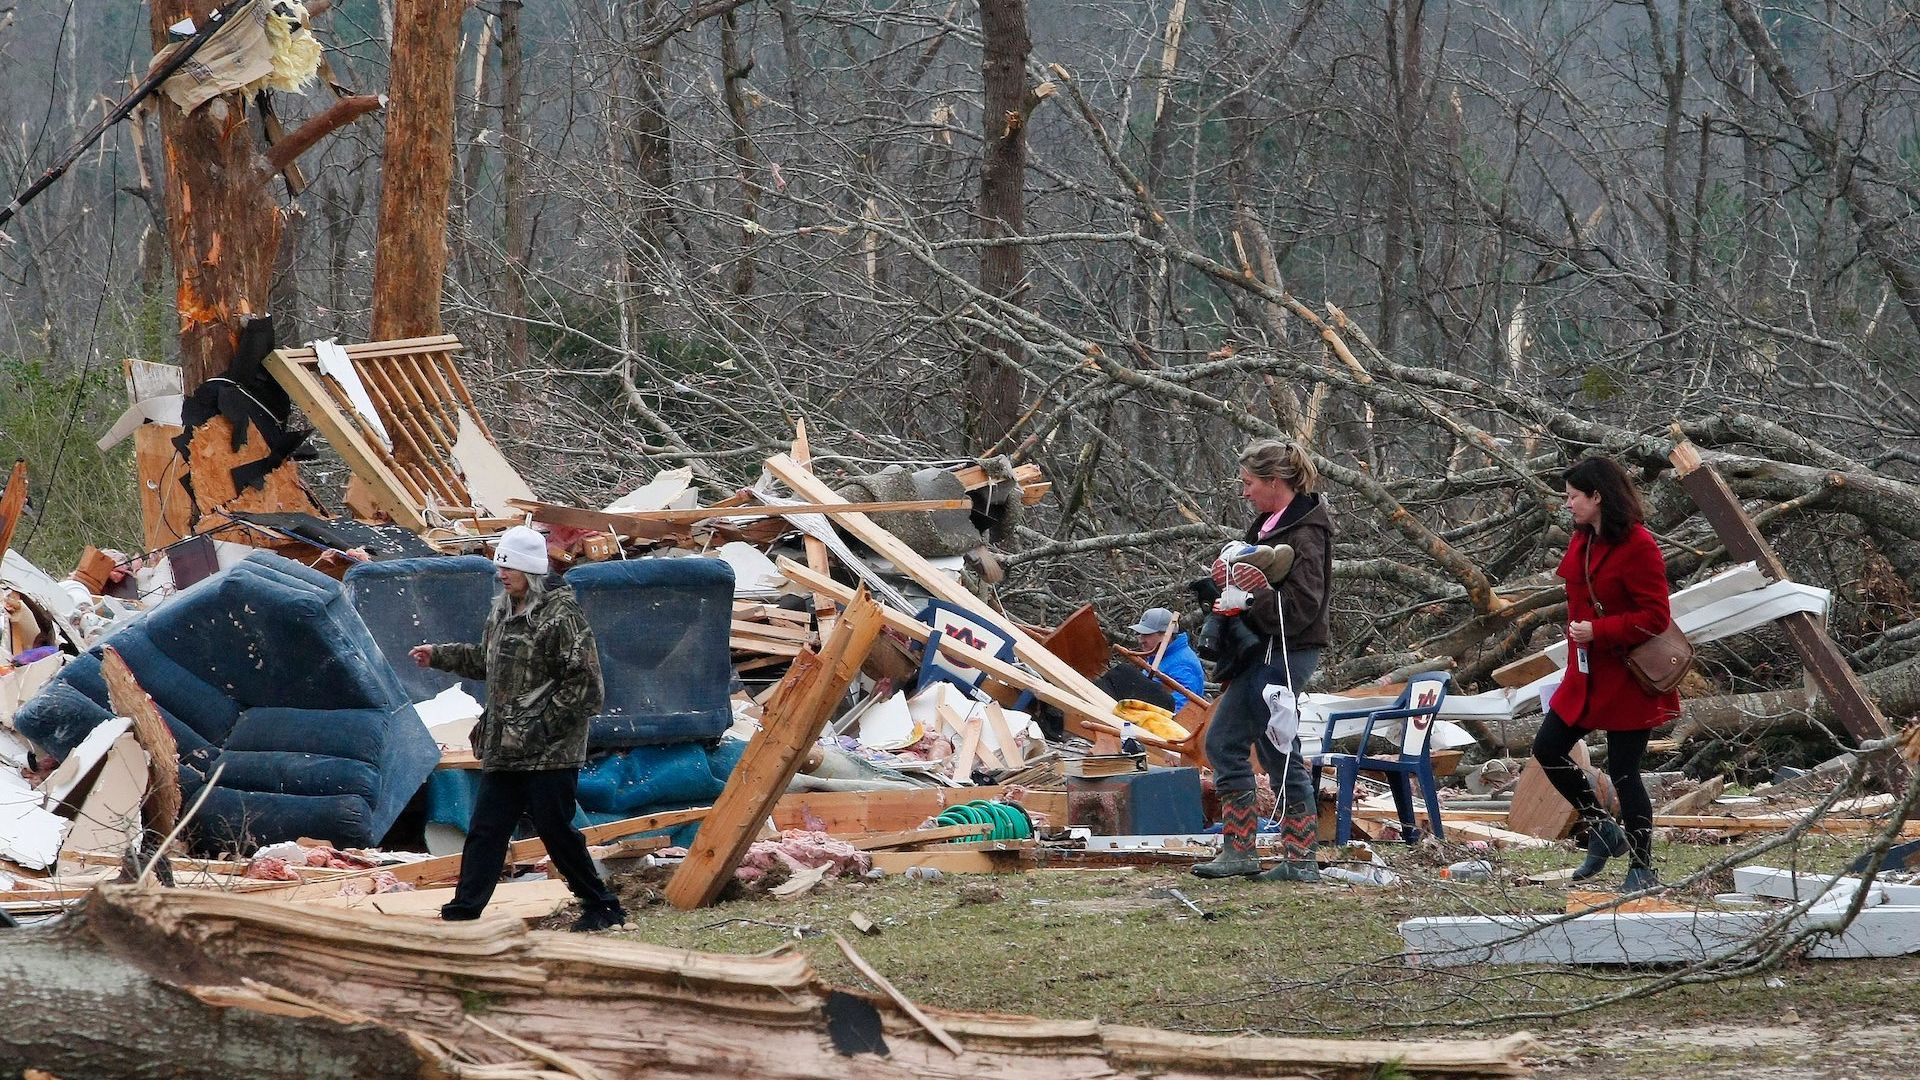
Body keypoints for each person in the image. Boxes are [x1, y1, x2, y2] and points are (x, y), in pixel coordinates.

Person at [409, 525, 628, 931]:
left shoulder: (562, 617)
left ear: (530, 570)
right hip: (505, 748)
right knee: (486, 830)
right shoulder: (503, 611)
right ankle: (463, 913)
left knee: (556, 830)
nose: (500, 574)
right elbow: (491, 664)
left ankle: (603, 906)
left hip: (550, 752)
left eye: (508, 566)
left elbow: (587, 688)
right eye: (498, 565)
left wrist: (539, 728)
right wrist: (439, 655)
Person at [1533, 456, 1680, 893]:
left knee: (1624, 771)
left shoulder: (1638, 544)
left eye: (1573, 497)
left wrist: (1599, 630)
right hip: (1585, 674)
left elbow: (1655, 616)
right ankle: (1601, 829)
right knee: (1549, 748)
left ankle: (1641, 867)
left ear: (1597, 496)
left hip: (1628, 677)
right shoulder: (1583, 539)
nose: (1568, 505)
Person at [1193, 439, 1335, 883]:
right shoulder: (1274, 525)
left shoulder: (1305, 533)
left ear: (1275, 481)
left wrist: (1246, 600)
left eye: (1249, 482)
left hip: (1283, 653)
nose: (1244, 491)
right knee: (1274, 748)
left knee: (1227, 742)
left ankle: (1249, 852)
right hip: (1269, 652)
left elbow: (1302, 606)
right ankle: (1296, 859)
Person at [1129, 607, 1206, 711]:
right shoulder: (1157, 657)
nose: (1141, 640)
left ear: (1166, 635)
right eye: (1140, 634)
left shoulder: (1183, 664)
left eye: (1147, 635)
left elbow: (1179, 709)